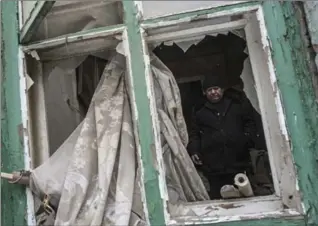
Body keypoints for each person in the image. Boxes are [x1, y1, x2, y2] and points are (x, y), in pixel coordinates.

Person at [187, 71, 260, 199]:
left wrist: (246, 139)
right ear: (205, 93)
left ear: (222, 89)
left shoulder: (236, 104)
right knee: (218, 198)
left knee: (244, 193)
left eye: (216, 88)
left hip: (238, 160)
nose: (213, 92)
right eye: (209, 90)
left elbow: (249, 122)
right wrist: (194, 150)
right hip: (213, 165)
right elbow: (194, 133)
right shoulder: (199, 110)